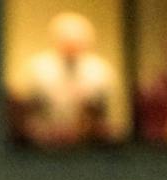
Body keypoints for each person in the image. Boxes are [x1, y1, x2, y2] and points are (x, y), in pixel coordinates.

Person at [16, 12, 119, 148]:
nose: (71, 46)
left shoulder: (101, 71)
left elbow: (102, 114)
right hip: (45, 143)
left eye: (77, 42)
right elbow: (27, 111)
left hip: (88, 144)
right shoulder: (37, 69)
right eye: (66, 41)